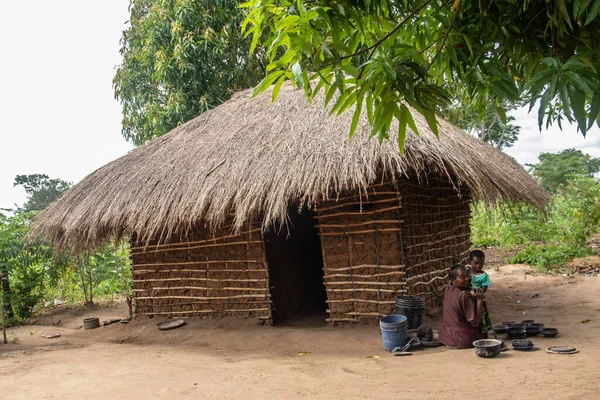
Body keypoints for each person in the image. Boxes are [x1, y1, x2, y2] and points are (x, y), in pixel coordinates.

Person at [438, 265, 485, 348]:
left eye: (467, 276)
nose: (467, 279)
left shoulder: (447, 290)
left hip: (446, 338)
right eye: (462, 277)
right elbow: (475, 323)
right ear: (453, 280)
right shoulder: (464, 297)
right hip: (463, 341)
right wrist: (479, 300)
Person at [468, 249, 493, 337]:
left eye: (481, 263)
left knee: (482, 318)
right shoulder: (467, 274)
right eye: (476, 263)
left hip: (479, 299)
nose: (478, 266)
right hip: (469, 299)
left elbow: (484, 287)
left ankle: (484, 335)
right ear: (470, 261)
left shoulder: (484, 275)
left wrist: (479, 291)